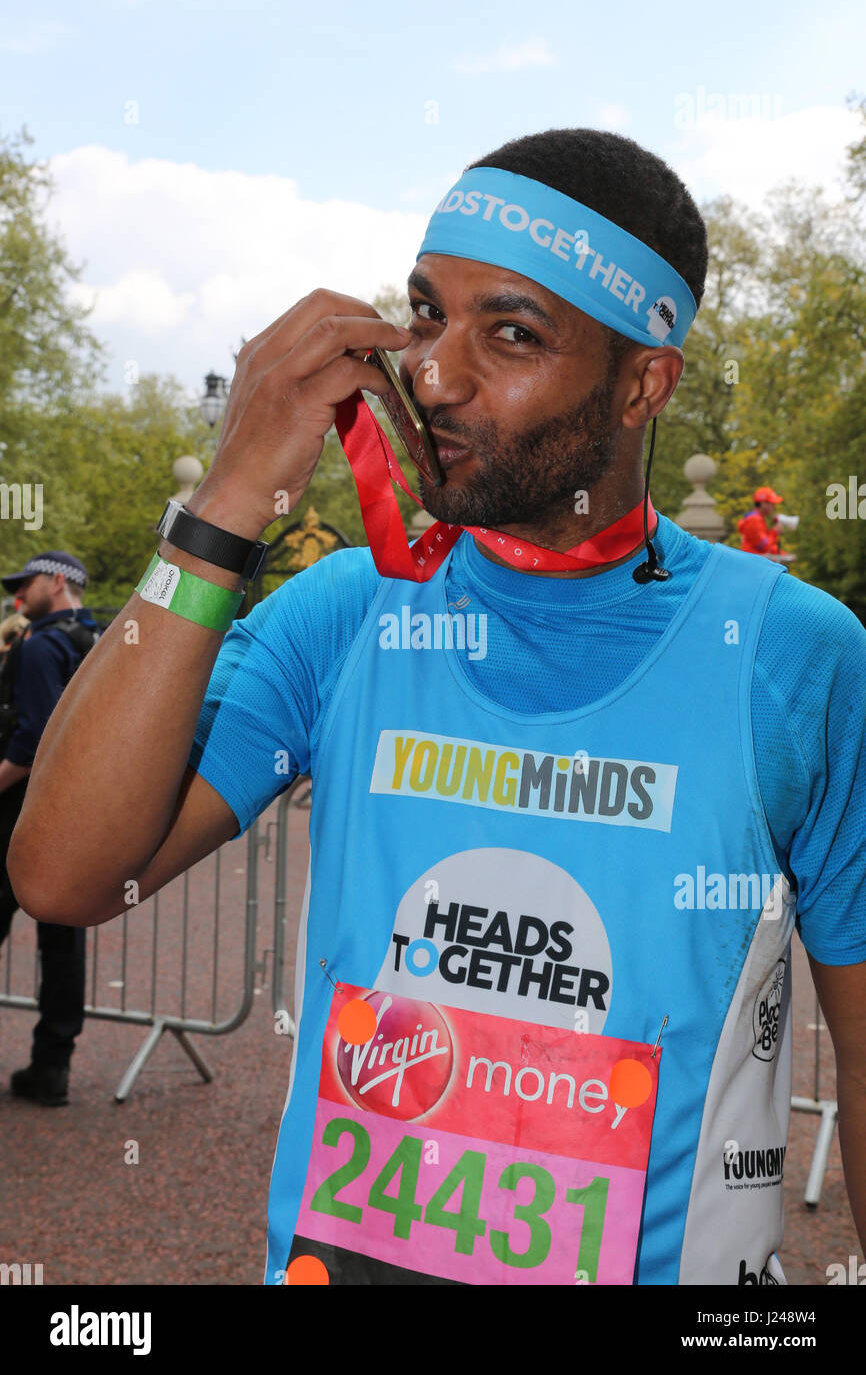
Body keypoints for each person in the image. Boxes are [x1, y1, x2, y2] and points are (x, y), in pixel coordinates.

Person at [8, 129, 866, 1285]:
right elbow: (65, 875)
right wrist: (222, 501)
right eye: (423, 314)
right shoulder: (348, 610)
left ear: (642, 382)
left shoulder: (791, 655)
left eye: (509, 333)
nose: (432, 372)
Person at [0, 551, 101, 1105]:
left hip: (19, 811)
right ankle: (52, 1065)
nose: (21, 593)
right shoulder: (98, 640)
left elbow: (33, 737)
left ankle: (49, 1066)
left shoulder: (40, 644)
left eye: (28, 582)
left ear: (57, 582)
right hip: (76, 814)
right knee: (62, 941)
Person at [737, 486, 791, 559]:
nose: (774, 507)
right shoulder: (754, 520)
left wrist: (783, 554)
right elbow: (764, 546)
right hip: (753, 564)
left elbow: (766, 546)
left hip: (754, 561)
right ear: (763, 504)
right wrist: (775, 532)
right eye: (772, 504)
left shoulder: (757, 518)